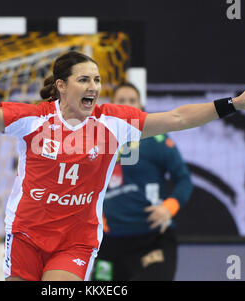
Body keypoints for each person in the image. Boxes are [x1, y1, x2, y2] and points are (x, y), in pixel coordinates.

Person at [0, 51, 245, 281]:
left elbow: (179, 118)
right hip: (27, 232)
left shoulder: (114, 122)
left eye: (97, 79)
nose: (94, 87)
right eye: (84, 79)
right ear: (61, 86)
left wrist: (231, 104)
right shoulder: (32, 120)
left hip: (76, 238)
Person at [92, 82, 192, 281]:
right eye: (121, 101)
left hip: (152, 239)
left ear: (141, 105)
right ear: (112, 106)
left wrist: (168, 208)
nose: (127, 105)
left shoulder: (157, 139)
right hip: (110, 242)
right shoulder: (98, 141)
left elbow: (184, 179)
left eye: (132, 100)